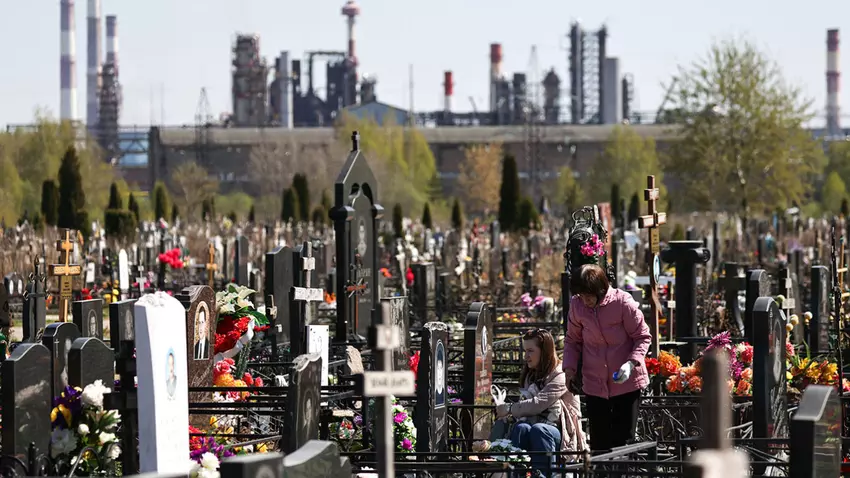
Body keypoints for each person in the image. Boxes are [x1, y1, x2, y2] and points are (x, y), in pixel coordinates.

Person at [563, 264, 651, 452]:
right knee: (599, 443)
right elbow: (572, 340)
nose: (584, 300)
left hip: (627, 382)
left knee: (622, 441)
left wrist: (631, 362)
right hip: (595, 383)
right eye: (581, 295)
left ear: (600, 290)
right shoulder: (577, 306)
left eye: (588, 296)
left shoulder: (622, 303)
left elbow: (643, 337)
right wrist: (569, 370)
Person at [496, 329, 586, 475]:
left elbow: (538, 404)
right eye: (525, 351)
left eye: (530, 351)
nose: (526, 357)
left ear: (544, 351)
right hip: (535, 424)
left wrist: (509, 408)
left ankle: (542, 475)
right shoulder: (531, 375)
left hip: (563, 433)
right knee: (521, 428)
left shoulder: (560, 375)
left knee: (540, 430)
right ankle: (515, 474)